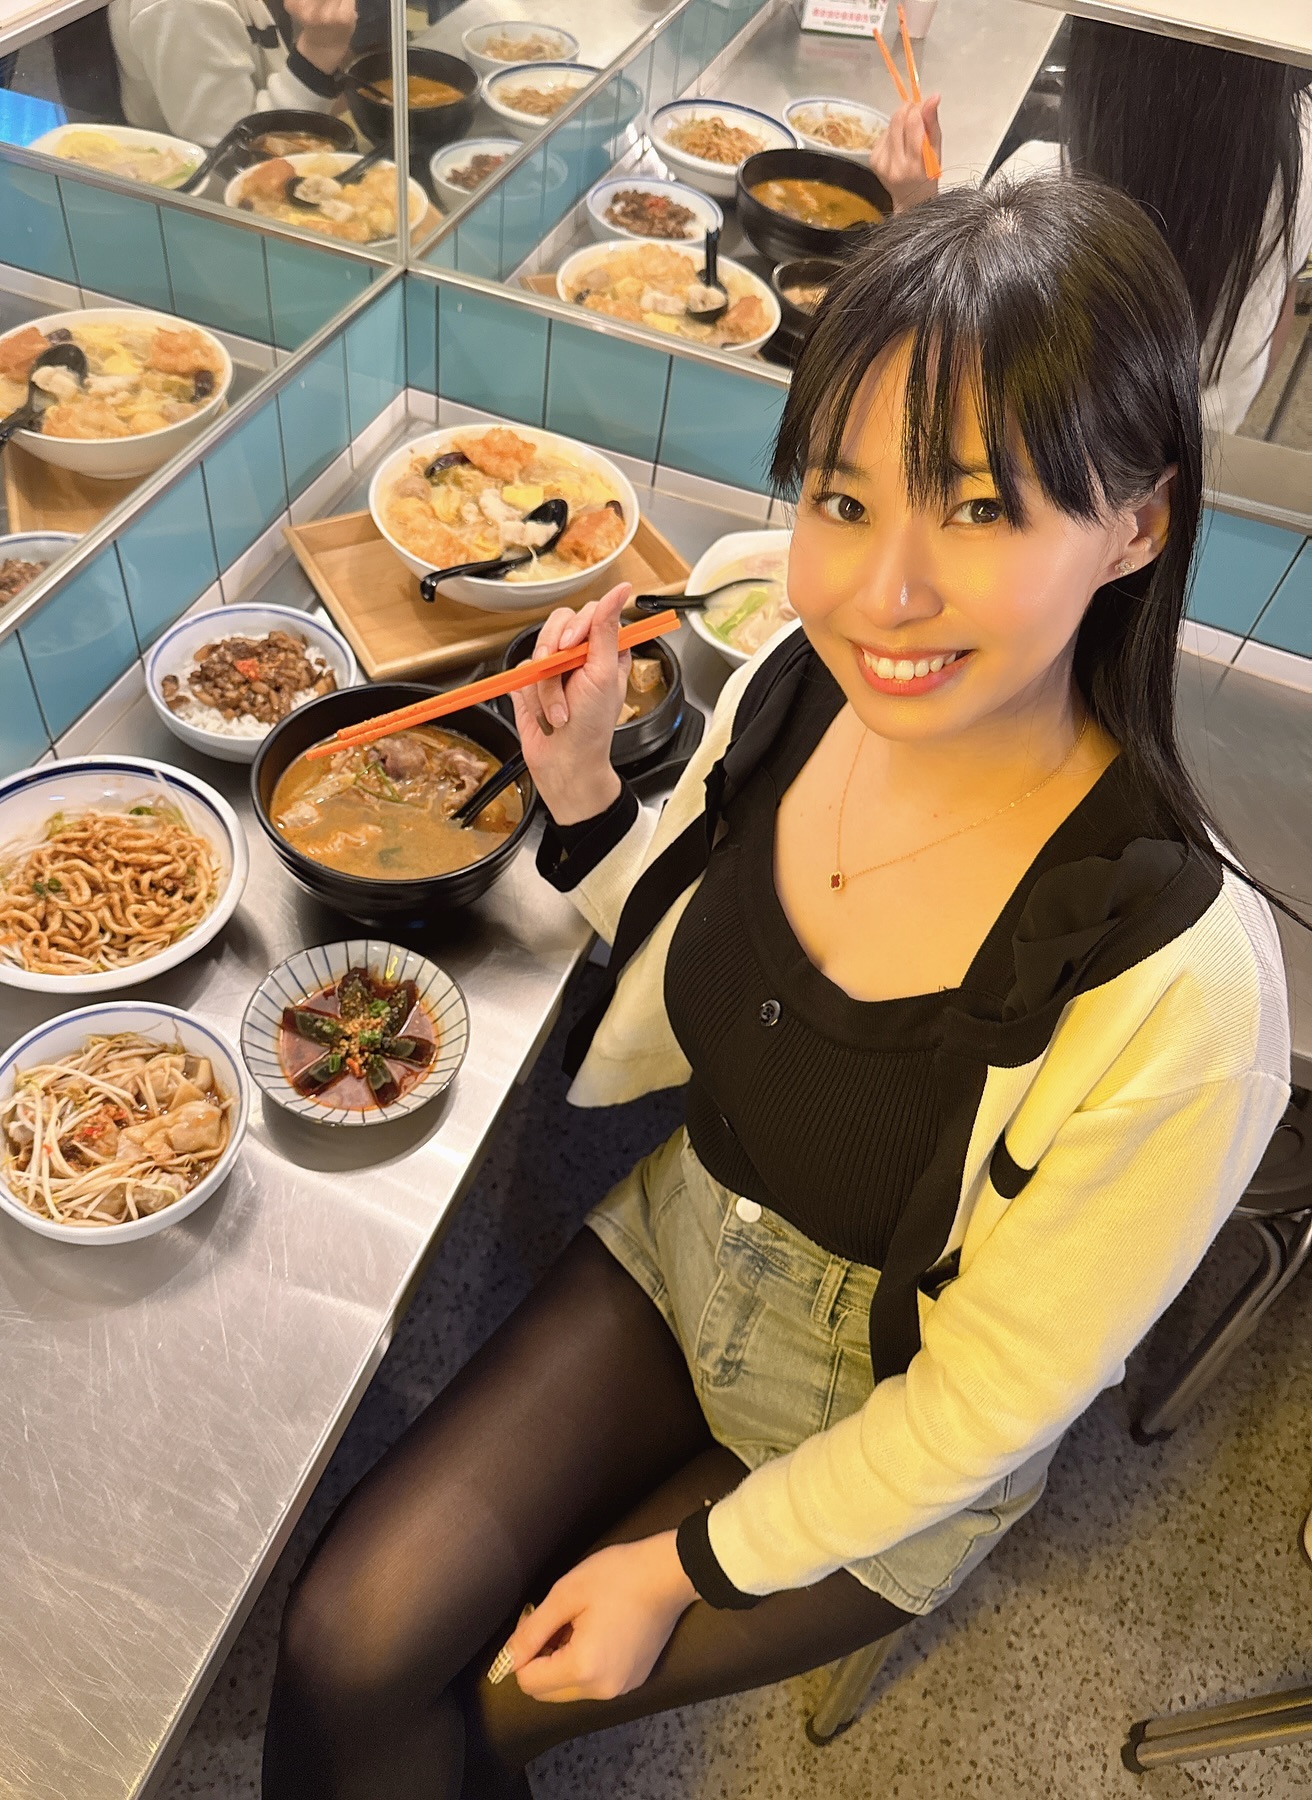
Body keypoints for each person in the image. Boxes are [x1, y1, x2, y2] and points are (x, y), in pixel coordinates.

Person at [259, 176, 1292, 1800]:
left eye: (980, 510)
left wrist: (679, 1570)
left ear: (1137, 526)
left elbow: (990, 1405)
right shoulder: (794, 696)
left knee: (486, 1710)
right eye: (840, 497)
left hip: (896, 1413)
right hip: (696, 1242)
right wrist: (584, 799)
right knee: (348, 1638)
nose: (885, 594)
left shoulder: (1180, 986)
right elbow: (708, 957)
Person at [871, 21, 1312, 433]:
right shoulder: (1303, 160)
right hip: (1204, 439)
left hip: (1060, 458)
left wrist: (914, 207)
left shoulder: (1035, 190)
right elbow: (1281, 305)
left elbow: (944, 369)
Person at [108, 0, 364, 148]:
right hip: (210, 209)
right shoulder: (181, 7)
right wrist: (320, 49)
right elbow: (234, 154)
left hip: (297, 145)